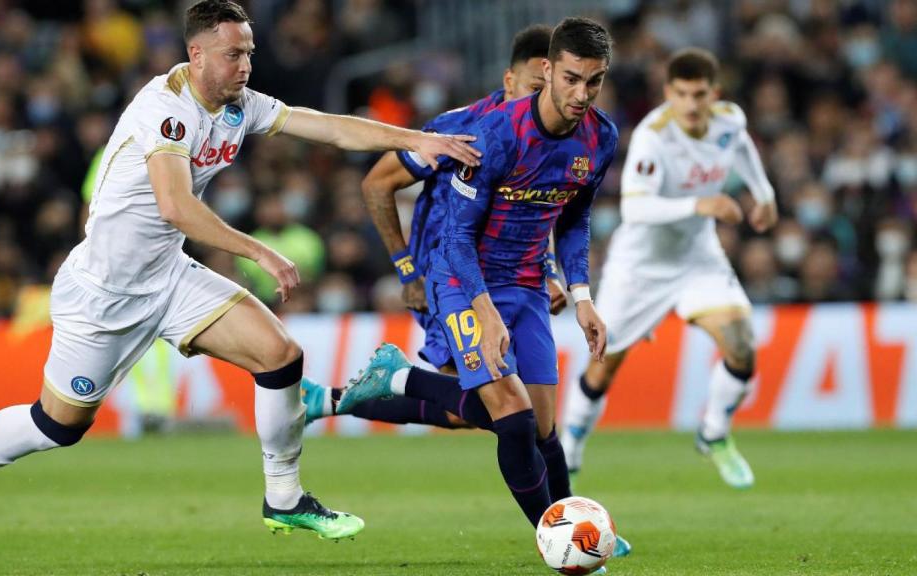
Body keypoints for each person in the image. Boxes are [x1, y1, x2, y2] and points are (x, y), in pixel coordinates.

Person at [0, 0, 480, 543]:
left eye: (250, 53)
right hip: (103, 294)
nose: (246, 66)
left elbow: (325, 126)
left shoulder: (238, 103)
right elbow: (175, 207)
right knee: (58, 425)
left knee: (280, 357)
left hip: (168, 277)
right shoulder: (165, 110)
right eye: (234, 55)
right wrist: (258, 251)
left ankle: (284, 500)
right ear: (198, 54)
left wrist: (415, 138)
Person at [336, 17, 618, 531]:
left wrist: (582, 296)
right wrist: (477, 309)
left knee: (542, 429)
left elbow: (575, 217)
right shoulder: (492, 134)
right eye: (571, 79)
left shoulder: (601, 137)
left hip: (529, 282)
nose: (582, 94)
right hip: (462, 279)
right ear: (548, 71)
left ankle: (575, 526)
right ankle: (557, 538)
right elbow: (457, 237)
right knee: (512, 419)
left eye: (593, 81)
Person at [301, 25, 564, 429]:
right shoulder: (461, 130)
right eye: (533, 86)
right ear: (509, 81)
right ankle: (371, 385)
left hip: (508, 278)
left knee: (483, 411)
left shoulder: (551, 137)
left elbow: (534, 209)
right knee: (493, 408)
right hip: (449, 278)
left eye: (550, 88)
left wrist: (546, 270)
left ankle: (332, 399)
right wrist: (407, 270)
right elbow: (377, 182)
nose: (543, 99)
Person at [560, 47, 778, 490]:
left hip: (698, 256)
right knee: (603, 366)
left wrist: (764, 193)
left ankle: (714, 434)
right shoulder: (653, 136)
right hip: (640, 266)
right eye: (682, 94)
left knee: (741, 345)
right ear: (668, 93)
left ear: (713, 93)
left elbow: (742, 150)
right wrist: (702, 203)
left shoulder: (730, 120)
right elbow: (635, 207)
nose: (692, 105)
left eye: (700, 95)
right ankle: (570, 451)